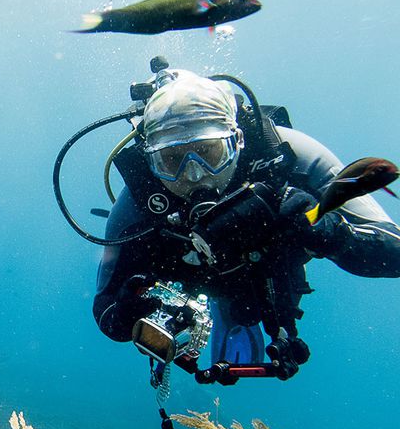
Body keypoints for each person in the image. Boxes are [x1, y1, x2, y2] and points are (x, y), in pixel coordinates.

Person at [93, 67, 400, 383]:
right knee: (234, 308)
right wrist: (125, 315)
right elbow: (105, 307)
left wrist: (330, 231)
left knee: (249, 309)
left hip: (270, 275)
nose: (195, 174)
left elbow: (395, 252)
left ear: (237, 141)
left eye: (210, 153)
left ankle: (241, 318)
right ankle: (228, 316)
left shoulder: (290, 156)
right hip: (196, 282)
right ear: (151, 161)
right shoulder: (140, 200)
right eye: (173, 161)